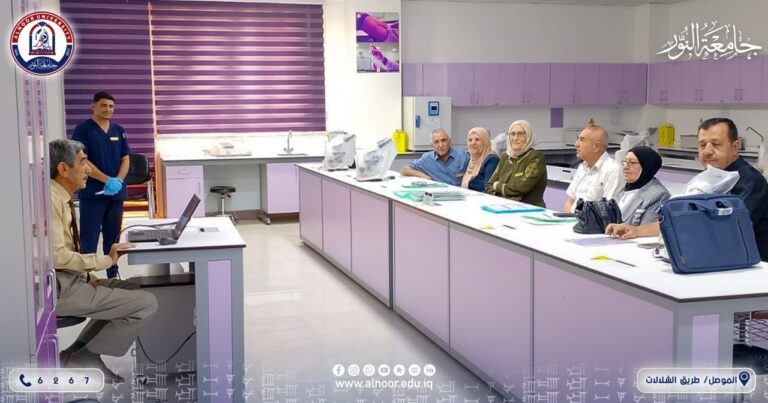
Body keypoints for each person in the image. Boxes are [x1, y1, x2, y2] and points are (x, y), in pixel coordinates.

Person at [49, 139, 157, 382]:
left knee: (132, 290)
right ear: (64, 169)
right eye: (83, 162)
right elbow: (57, 256)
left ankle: (74, 353)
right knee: (146, 303)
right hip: (61, 289)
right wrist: (106, 261)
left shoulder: (60, 196)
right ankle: (86, 356)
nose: (89, 169)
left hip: (72, 279)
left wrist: (89, 274)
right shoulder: (51, 200)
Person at [606, 118, 768, 261]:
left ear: (735, 147)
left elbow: (727, 231)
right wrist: (636, 230)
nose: (707, 151)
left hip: (747, 266)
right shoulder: (709, 178)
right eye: (702, 145)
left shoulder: (750, 183)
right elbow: (680, 219)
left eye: (716, 144)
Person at [72, 91, 131, 278]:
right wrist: (107, 180)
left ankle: (113, 274)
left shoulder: (118, 130)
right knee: (89, 237)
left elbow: (125, 158)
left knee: (113, 237)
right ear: (94, 106)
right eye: (103, 105)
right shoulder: (83, 130)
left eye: (111, 106)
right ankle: (86, 277)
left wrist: (118, 180)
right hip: (93, 193)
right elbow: (83, 160)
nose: (108, 109)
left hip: (115, 194)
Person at [485, 120, 547, 207]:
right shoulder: (505, 157)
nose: (515, 138)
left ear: (529, 136)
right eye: (512, 134)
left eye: (521, 134)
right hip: (504, 207)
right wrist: (504, 197)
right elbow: (488, 186)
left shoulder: (536, 157)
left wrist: (497, 186)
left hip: (530, 209)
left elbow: (523, 187)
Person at [563, 125, 623, 212]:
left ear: (596, 147)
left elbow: (607, 210)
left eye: (581, 140)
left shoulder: (612, 170)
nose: (576, 144)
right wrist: (567, 219)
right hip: (571, 219)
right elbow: (570, 201)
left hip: (591, 220)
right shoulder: (582, 167)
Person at [614, 146, 671, 225]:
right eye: (625, 162)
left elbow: (645, 228)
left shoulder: (659, 195)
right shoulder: (621, 188)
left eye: (632, 163)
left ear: (646, 166)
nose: (625, 167)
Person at [400, 128, 469, 186]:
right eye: (436, 142)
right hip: (439, 194)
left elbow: (474, 178)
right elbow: (404, 170)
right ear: (432, 145)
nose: (441, 145)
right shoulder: (427, 159)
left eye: (443, 140)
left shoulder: (462, 156)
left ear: (450, 141)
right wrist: (423, 176)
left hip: (461, 193)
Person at [461, 127, 499, 192]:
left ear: (485, 142)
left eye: (477, 139)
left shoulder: (492, 160)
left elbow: (488, 189)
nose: (473, 143)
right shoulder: (471, 160)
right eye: (470, 140)